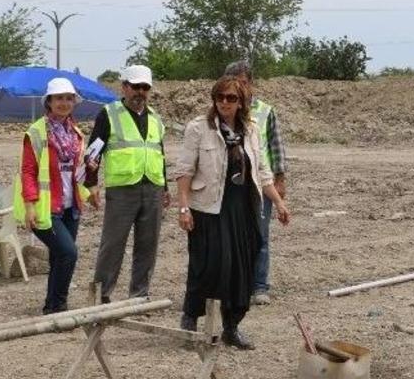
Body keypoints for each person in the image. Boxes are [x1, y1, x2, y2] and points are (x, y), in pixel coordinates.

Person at [172, 74, 290, 350]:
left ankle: (231, 326)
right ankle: (191, 318)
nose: (225, 103)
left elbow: (262, 172)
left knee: (240, 267)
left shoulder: (250, 130)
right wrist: (183, 207)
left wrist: (280, 203)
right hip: (208, 208)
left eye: (231, 98)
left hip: (243, 207)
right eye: (220, 97)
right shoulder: (199, 128)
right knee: (209, 266)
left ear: (241, 102)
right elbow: (184, 171)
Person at [85, 65, 170, 303]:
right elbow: (93, 153)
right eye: (135, 87)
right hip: (122, 190)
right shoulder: (109, 114)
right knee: (113, 245)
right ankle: (101, 296)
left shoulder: (155, 118)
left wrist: (165, 187)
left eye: (145, 87)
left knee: (148, 245)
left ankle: (139, 295)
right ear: (124, 87)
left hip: (152, 187)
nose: (140, 92)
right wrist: (90, 184)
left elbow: (158, 152)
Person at [14, 77, 96, 314]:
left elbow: (76, 171)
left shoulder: (76, 133)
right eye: (59, 98)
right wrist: (30, 205)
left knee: (60, 258)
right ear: (48, 102)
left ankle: (53, 305)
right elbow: (28, 171)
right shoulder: (37, 132)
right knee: (68, 253)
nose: (64, 103)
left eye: (69, 98)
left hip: (71, 207)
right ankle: (57, 306)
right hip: (45, 207)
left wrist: (89, 187)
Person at [225, 60, 288, 306]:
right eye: (234, 83)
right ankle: (235, 284)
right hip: (233, 183)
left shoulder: (265, 111)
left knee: (260, 235)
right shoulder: (225, 109)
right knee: (233, 235)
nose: (239, 88)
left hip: (261, 183)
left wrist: (280, 179)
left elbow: (276, 146)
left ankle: (259, 285)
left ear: (250, 83)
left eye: (243, 82)